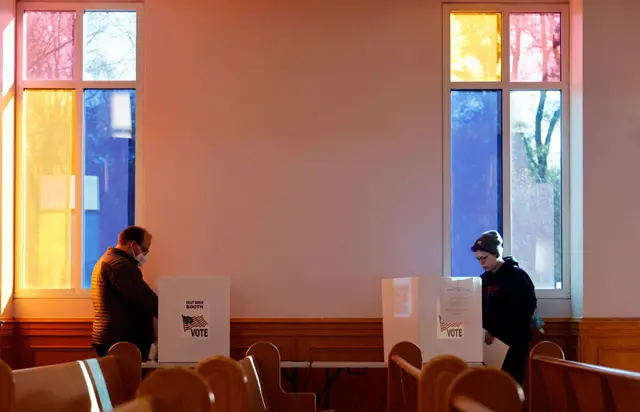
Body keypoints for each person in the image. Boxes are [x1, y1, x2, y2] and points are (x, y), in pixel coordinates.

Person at [472, 230, 537, 384]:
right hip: (489, 343)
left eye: (484, 258)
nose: (482, 263)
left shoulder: (517, 276)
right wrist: (484, 327)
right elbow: (478, 308)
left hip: (512, 342)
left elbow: (525, 308)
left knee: (511, 385)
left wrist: (496, 328)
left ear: (496, 253)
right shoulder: (483, 280)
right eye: (478, 259)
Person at [91, 225, 158, 361]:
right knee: (127, 381)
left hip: (112, 337)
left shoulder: (108, 260)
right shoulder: (120, 265)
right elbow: (144, 297)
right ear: (133, 244)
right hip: (122, 340)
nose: (145, 255)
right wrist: (172, 316)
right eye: (144, 250)